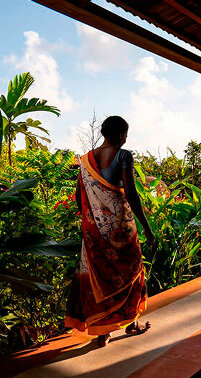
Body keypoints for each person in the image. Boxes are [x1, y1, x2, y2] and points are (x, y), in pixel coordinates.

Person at [66, 116, 156, 347]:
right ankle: (131, 324)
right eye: (125, 134)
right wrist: (147, 228)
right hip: (120, 227)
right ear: (119, 134)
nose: (126, 139)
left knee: (100, 277)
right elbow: (132, 194)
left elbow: (79, 197)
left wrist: (92, 221)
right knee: (133, 271)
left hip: (95, 230)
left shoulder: (85, 160)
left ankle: (102, 334)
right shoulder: (123, 155)